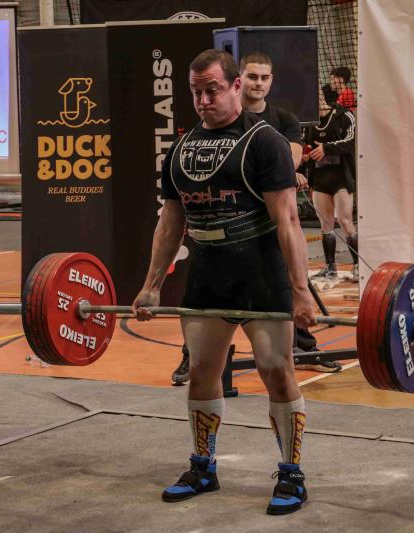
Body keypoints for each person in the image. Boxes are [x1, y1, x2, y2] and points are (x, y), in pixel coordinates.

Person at [133, 49, 314, 515]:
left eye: (212, 90)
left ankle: (291, 473)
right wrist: (152, 285)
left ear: (236, 86)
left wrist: (300, 291)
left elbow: (288, 220)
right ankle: (203, 466)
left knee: (276, 369)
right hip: (208, 274)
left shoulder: (265, 142)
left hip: (261, 274)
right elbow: (170, 224)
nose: (203, 100)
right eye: (195, 92)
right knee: (200, 370)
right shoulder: (180, 150)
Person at [169, 51, 340, 383]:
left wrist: (279, 174)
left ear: (270, 81)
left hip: (265, 229)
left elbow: (290, 160)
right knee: (205, 308)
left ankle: (305, 347)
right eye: (252, 77)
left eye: (264, 78)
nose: (258, 83)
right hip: (221, 240)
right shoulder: (212, 118)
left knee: (287, 286)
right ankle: (192, 357)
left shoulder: (282, 121)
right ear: (239, 81)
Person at [305, 84, 358, 280]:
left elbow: (351, 141)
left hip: (341, 177)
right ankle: (330, 267)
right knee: (325, 224)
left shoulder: (344, 116)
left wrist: (326, 148)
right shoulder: (307, 121)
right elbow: (304, 146)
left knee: (345, 221)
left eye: (317, 94)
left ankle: (358, 265)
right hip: (320, 178)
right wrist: (304, 157)